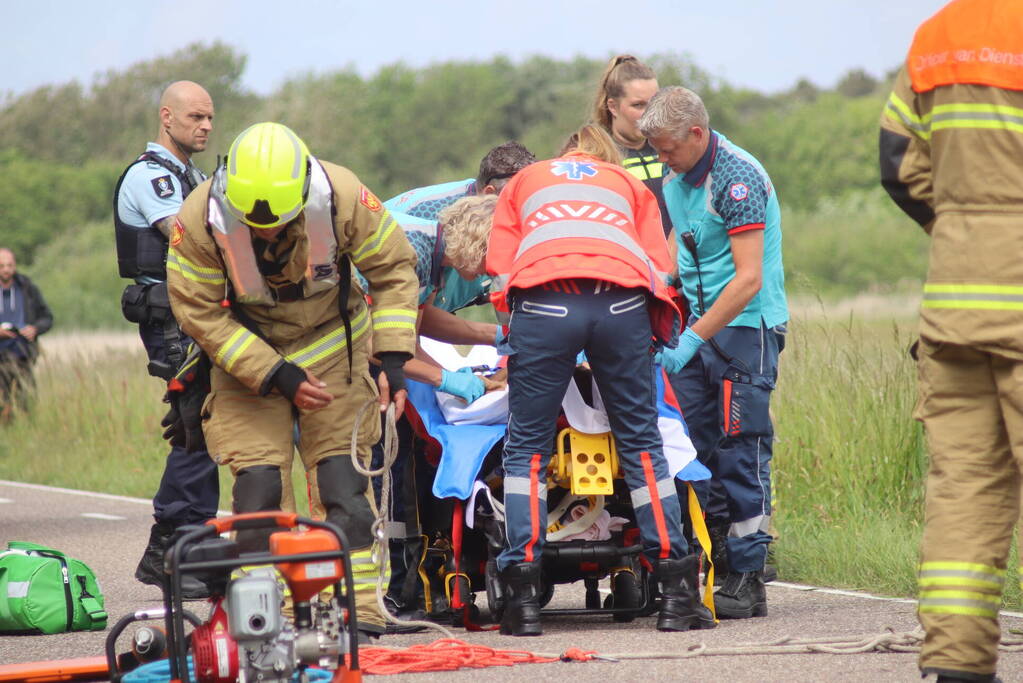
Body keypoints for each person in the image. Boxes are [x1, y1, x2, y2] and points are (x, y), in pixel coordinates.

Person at [166, 122, 419, 638]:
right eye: (253, 226)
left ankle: (356, 612)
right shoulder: (198, 219)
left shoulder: (345, 196)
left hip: (334, 354)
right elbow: (198, 314)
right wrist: (274, 373)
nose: (263, 236)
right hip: (247, 366)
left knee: (343, 484)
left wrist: (392, 359)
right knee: (258, 489)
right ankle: (264, 616)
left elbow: (395, 270)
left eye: (276, 225)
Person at [484, 123, 714, 636]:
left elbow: (499, 268)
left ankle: (522, 600)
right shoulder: (628, 183)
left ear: (564, 154)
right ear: (605, 157)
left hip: (543, 300)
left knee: (526, 450)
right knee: (641, 445)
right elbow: (661, 267)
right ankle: (677, 594)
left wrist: (518, 326)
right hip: (620, 301)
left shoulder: (525, 180)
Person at [879, 2, 1023, 680]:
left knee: (963, 496)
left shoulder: (936, 36)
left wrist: (966, 232)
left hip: (953, 312)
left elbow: (895, 164)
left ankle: (957, 667)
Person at [639, 86, 788, 619]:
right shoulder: (678, 179)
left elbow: (748, 280)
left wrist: (694, 339)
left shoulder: (737, 178)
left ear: (696, 134)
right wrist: (654, 283)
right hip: (696, 331)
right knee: (698, 449)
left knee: (739, 451)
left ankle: (750, 578)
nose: (661, 159)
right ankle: (721, 562)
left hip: (746, 332)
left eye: (667, 148)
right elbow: (684, 243)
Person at [112, 80, 219, 599]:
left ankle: (172, 551)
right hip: (171, 319)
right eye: (195, 117)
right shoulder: (150, 177)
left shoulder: (191, 174)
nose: (204, 126)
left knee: (203, 429)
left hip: (196, 315)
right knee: (199, 426)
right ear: (167, 116)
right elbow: (190, 235)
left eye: (209, 119)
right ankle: (182, 550)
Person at [592, 55, 674, 240]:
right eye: (638, 105)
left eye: (655, 103)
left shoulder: (673, 151)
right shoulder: (596, 157)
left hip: (676, 265)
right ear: (613, 106)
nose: (649, 114)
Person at [0, 248, 52, 420]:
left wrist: (35, 329)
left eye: (9, 265)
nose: (6, 269)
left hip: (23, 354)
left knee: (27, 404)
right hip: (1, 355)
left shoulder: (27, 288)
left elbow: (47, 318)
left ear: (15, 266)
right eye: (1, 266)